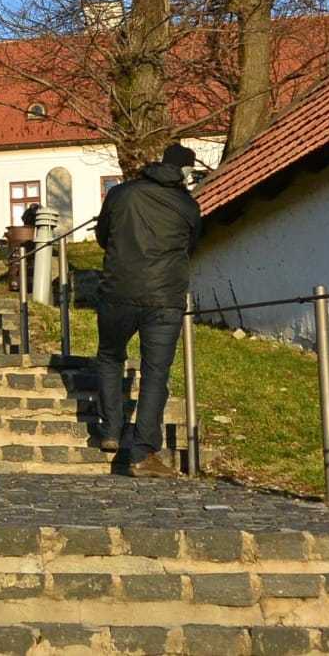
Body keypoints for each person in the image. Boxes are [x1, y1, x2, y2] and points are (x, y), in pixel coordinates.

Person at [95, 141, 203, 479]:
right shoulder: (188, 206)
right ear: (185, 171)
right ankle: (142, 453)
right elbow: (192, 245)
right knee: (155, 373)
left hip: (119, 290)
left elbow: (102, 236)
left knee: (110, 356)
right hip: (165, 298)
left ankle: (111, 430)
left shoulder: (120, 193)